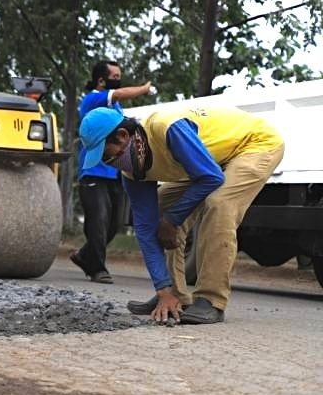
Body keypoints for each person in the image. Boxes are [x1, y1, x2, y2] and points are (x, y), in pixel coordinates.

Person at [79, 106, 283, 324]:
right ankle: (173, 295)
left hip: (253, 145)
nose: (108, 162)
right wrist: (162, 288)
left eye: (105, 153)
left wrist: (172, 220)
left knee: (219, 204)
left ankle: (210, 299)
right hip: (210, 160)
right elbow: (146, 229)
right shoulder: (132, 172)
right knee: (160, 210)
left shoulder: (167, 129)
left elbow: (211, 178)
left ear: (122, 136)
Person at [70, 61, 153, 284]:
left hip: (114, 172)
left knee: (114, 223)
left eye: (119, 75)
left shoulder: (116, 110)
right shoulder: (93, 99)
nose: (119, 78)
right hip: (93, 172)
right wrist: (144, 89)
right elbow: (121, 93)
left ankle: (84, 255)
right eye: (115, 75)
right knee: (98, 220)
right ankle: (97, 268)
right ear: (101, 81)